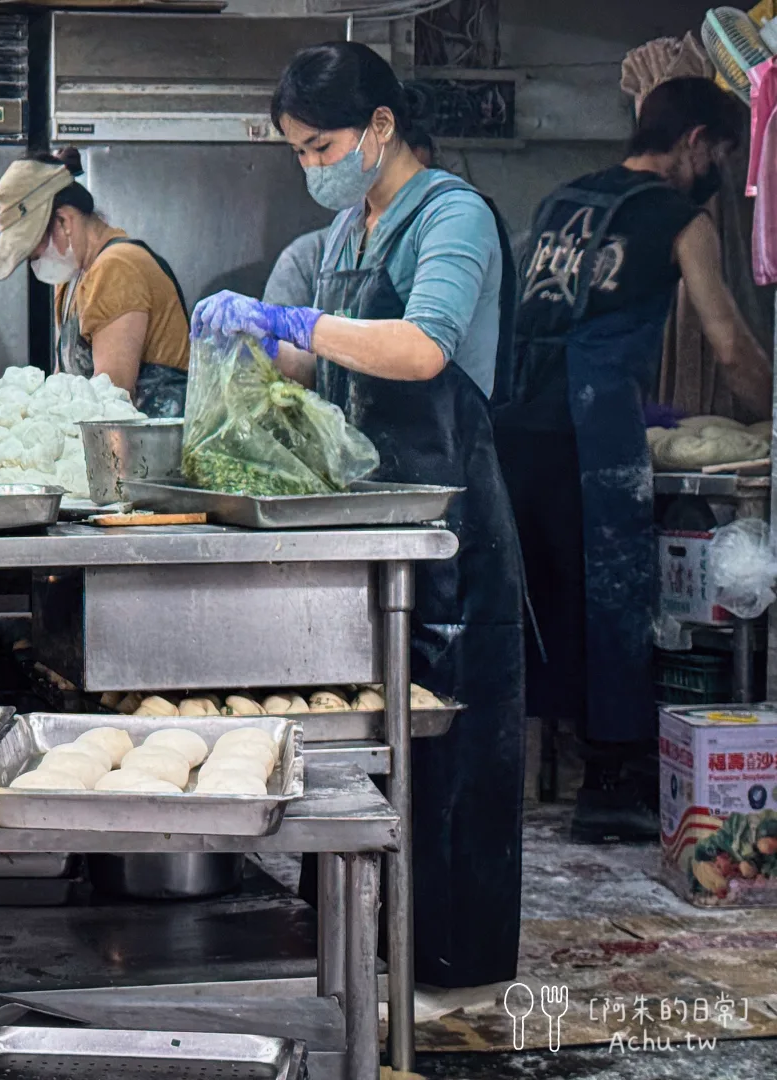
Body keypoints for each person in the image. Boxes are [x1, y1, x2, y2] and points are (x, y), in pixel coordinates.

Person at [191, 41, 525, 989]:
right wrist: (255, 346)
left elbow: (420, 351)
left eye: (321, 145)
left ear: (380, 128)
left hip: (447, 516)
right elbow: (330, 365)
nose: (311, 166)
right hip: (368, 514)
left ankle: (448, 960)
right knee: (361, 737)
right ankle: (360, 945)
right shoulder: (348, 234)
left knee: (446, 751)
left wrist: (294, 325)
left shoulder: (451, 215)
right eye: (296, 151)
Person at [495, 77, 773, 844]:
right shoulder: (682, 219)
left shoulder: (561, 200)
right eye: (722, 151)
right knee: (612, 595)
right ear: (695, 143)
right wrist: (770, 404)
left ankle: (514, 778)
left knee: (539, 597)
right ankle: (613, 785)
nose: (720, 168)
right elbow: (727, 343)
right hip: (593, 427)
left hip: (519, 421)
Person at [0, 149, 191, 416]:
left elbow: (111, 403)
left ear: (63, 221)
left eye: (34, 250)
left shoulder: (117, 268)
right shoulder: (73, 280)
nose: (35, 261)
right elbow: (62, 387)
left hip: (150, 451)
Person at [263, 130, 436, 308]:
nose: (405, 195)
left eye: (417, 182)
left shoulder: (435, 250)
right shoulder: (306, 257)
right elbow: (272, 330)